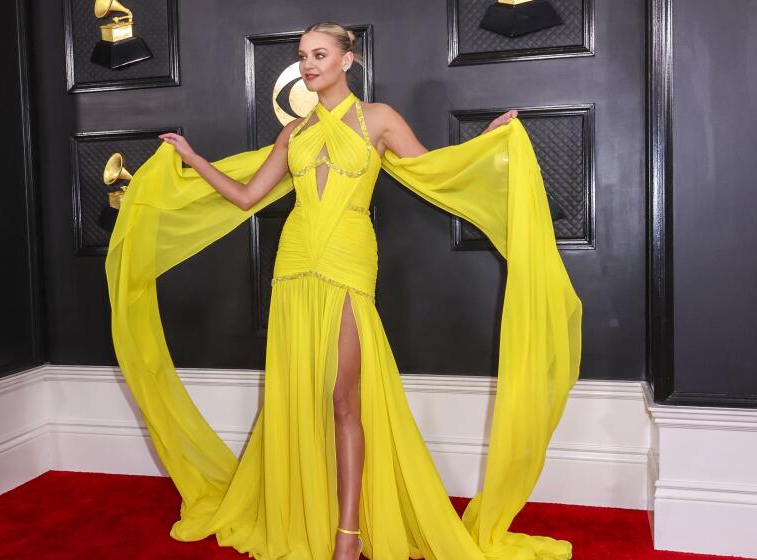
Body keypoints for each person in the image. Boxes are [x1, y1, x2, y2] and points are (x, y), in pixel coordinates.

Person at [105, 20, 582, 560]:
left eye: (320, 54)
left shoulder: (378, 120)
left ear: (346, 61)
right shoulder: (295, 133)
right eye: (304, 56)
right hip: (294, 262)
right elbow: (245, 197)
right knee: (300, 390)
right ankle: (305, 512)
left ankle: (347, 536)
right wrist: (192, 159)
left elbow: (433, 172)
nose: (309, 65)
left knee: (343, 397)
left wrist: (489, 144)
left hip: (349, 258)